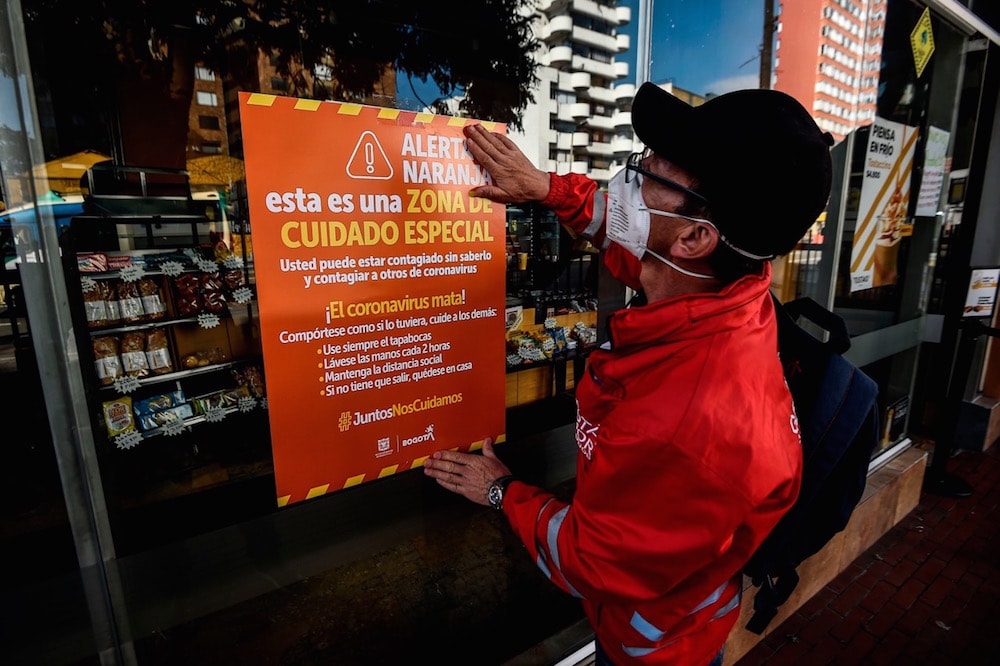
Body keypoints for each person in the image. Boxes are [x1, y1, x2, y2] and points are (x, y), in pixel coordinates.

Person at [423, 82, 834, 665]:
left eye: (651, 175)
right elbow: (626, 235)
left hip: (651, 646)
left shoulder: (689, 425)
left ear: (696, 238)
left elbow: (592, 561)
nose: (632, 178)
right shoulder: (716, 290)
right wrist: (548, 190)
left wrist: (500, 489)